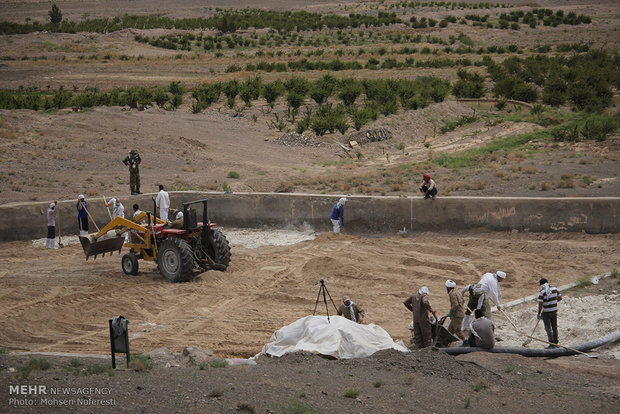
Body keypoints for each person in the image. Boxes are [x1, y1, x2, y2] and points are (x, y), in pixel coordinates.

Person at [537, 278, 563, 348]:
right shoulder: (555, 289)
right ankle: (556, 342)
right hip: (554, 311)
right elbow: (560, 298)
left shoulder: (542, 292)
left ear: (542, 285)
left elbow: (540, 304)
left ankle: (551, 344)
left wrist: (538, 313)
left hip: (546, 313)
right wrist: (554, 301)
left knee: (548, 328)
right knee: (554, 327)